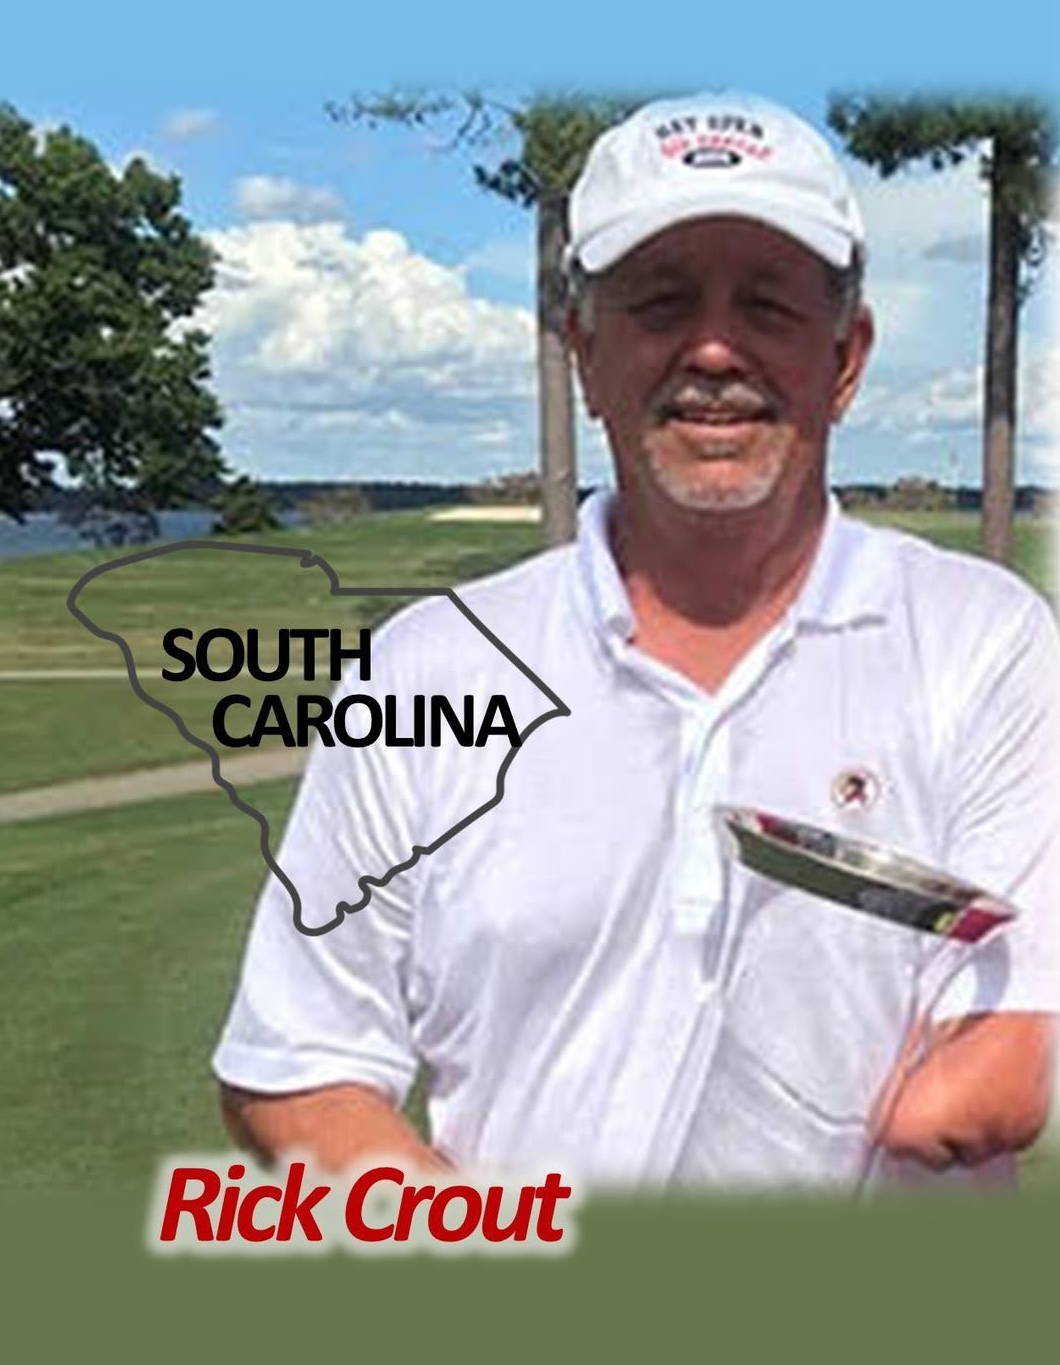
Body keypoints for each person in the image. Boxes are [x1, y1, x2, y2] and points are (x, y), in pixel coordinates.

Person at [213, 93, 1059, 1191]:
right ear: (584, 352)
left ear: (846, 359)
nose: (713, 348)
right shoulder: (427, 671)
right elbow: (295, 1066)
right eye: (661, 303)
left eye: (769, 304)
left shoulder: (981, 641)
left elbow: (999, 1065)